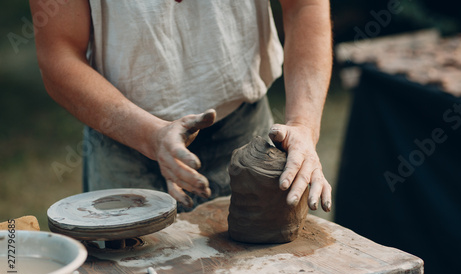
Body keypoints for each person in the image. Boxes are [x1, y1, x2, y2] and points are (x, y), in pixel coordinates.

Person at [30, 0, 333, 213]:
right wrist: (150, 136)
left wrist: (302, 123)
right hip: (124, 144)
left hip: (248, 138)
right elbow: (60, 52)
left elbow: (304, 6)